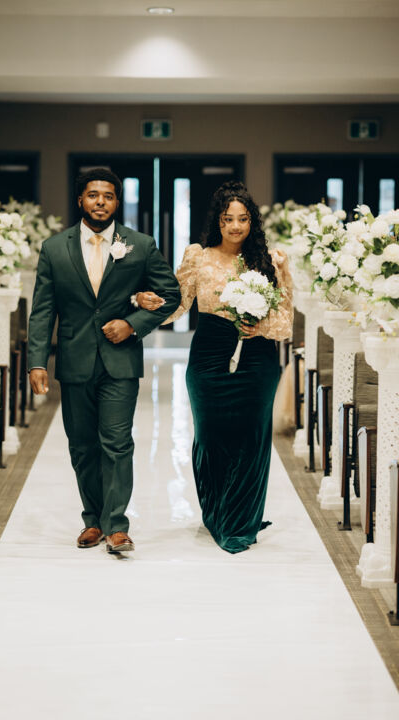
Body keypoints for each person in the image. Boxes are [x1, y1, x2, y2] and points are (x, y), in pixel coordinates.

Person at [28, 168, 180, 554]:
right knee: (82, 446)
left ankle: (116, 526)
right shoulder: (54, 248)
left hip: (120, 361)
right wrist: (37, 362)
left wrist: (133, 324)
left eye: (108, 196)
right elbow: (43, 310)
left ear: (117, 202)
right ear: (80, 199)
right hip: (74, 359)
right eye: (93, 195)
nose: (101, 202)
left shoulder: (140, 245)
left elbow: (171, 294)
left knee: (117, 442)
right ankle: (92, 520)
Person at [136, 181, 293, 553]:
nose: (236, 226)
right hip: (209, 356)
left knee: (250, 439)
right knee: (210, 437)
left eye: (243, 219)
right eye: (228, 219)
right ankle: (217, 511)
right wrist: (149, 305)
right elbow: (178, 304)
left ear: (252, 222)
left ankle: (239, 522)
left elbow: (286, 320)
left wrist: (260, 327)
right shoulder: (198, 257)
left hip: (256, 359)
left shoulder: (270, 260)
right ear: (218, 222)